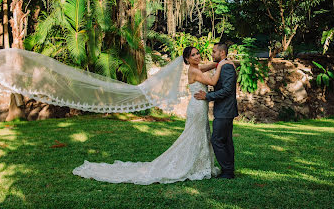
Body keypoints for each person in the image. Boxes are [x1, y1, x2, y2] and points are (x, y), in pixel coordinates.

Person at [72, 46, 234, 184]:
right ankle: (190, 164)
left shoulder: (197, 68)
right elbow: (212, 82)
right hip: (197, 107)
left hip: (199, 107)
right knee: (193, 135)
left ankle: (201, 164)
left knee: (200, 135)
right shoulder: (194, 70)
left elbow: (209, 66)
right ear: (187, 59)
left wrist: (221, 62)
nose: (198, 56)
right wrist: (221, 66)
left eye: (198, 53)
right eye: (193, 55)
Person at [194, 43, 238, 179]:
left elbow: (227, 90)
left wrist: (207, 96)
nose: (212, 54)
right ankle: (229, 169)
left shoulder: (227, 67)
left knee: (217, 140)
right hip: (223, 110)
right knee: (225, 140)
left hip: (225, 110)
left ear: (222, 53)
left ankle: (228, 170)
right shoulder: (222, 65)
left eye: (214, 52)